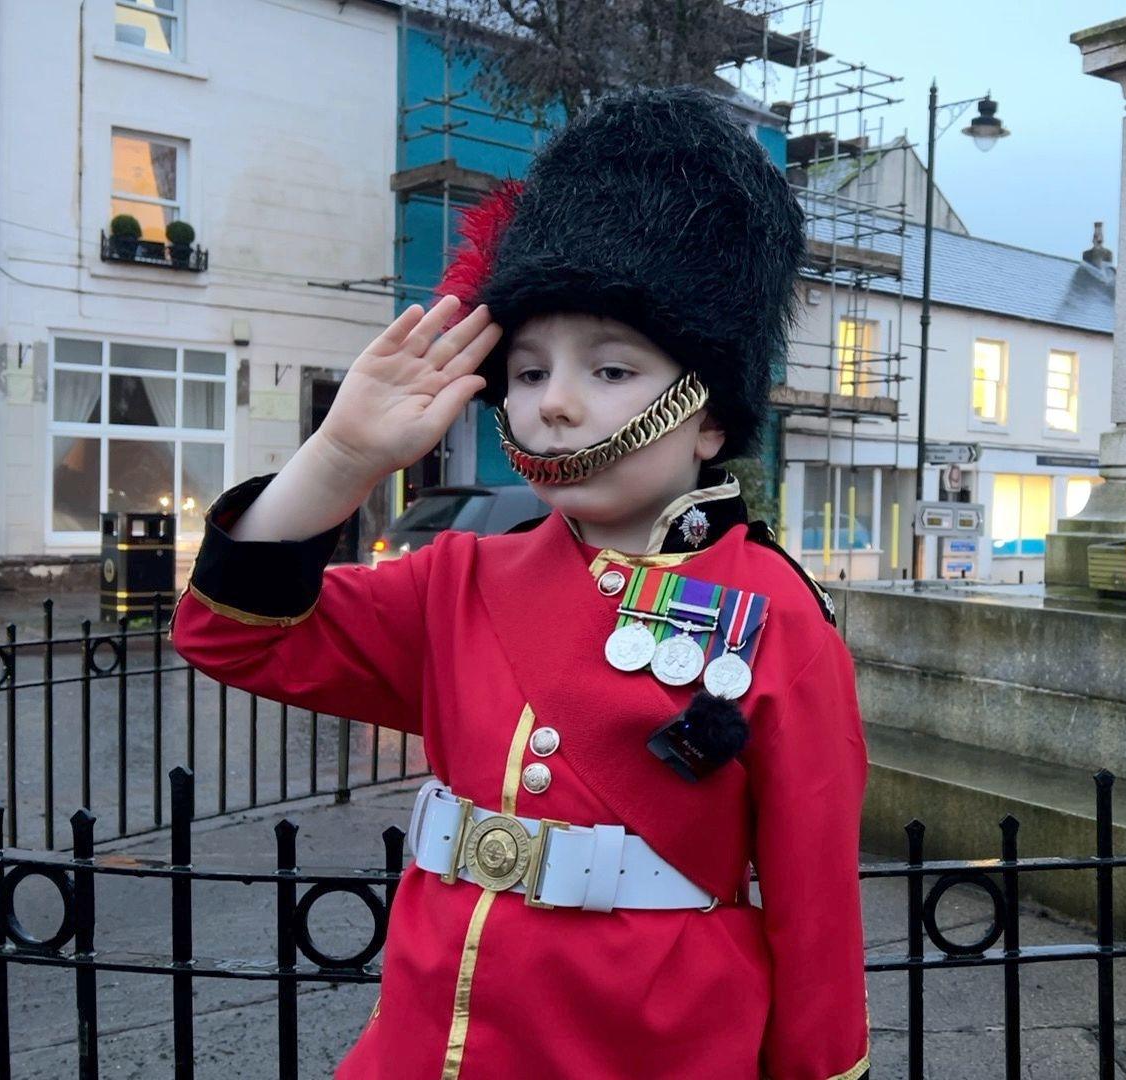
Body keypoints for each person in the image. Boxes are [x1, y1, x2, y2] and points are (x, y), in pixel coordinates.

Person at [170, 87, 870, 1079]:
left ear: (710, 416)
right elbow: (231, 635)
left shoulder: (776, 614)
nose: (554, 405)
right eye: (530, 372)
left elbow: (815, 907)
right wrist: (339, 457)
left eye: (612, 371)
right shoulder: (458, 581)